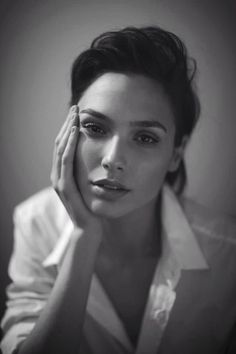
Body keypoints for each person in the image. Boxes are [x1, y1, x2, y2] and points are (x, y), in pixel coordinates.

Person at [1, 26, 236, 354]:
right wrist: (84, 237)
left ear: (175, 154)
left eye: (145, 138)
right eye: (95, 128)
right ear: (67, 132)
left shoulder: (227, 254)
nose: (112, 160)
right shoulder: (35, 224)